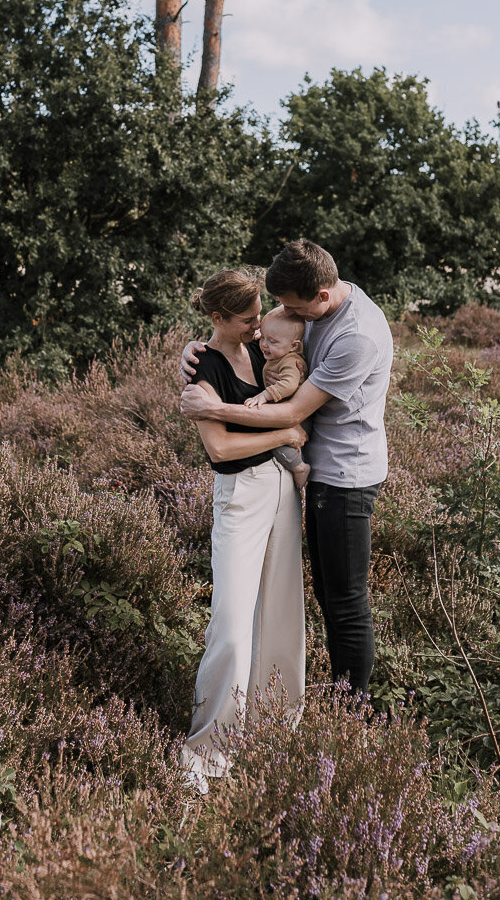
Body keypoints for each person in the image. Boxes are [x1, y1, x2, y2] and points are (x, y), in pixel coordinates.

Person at [181, 239, 393, 696]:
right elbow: (239, 349)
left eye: (291, 307)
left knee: (347, 601)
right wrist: (197, 351)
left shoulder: (356, 335)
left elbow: (293, 413)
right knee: (324, 596)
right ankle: (327, 698)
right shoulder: (313, 310)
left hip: (345, 476)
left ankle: (352, 709)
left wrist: (211, 408)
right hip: (311, 473)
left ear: (321, 294)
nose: (278, 318)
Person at [180, 268, 308, 790]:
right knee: (232, 622)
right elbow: (221, 449)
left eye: (261, 315)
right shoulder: (201, 368)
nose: (259, 327)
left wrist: (288, 429)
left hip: (283, 492)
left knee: (281, 616)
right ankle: (207, 749)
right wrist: (287, 430)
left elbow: (297, 364)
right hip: (240, 495)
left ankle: (273, 732)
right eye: (248, 318)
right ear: (217, 318)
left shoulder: (263, 349)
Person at [245, 306, 311, 489]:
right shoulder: (277, 353)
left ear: (294, 346)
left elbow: (289, 384)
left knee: (278, 442)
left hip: (297, 418)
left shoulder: (290, 362)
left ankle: (300, 468)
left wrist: (265, 395)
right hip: (287, 413)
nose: (264, 344)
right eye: (263, 337)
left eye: (272, 341)